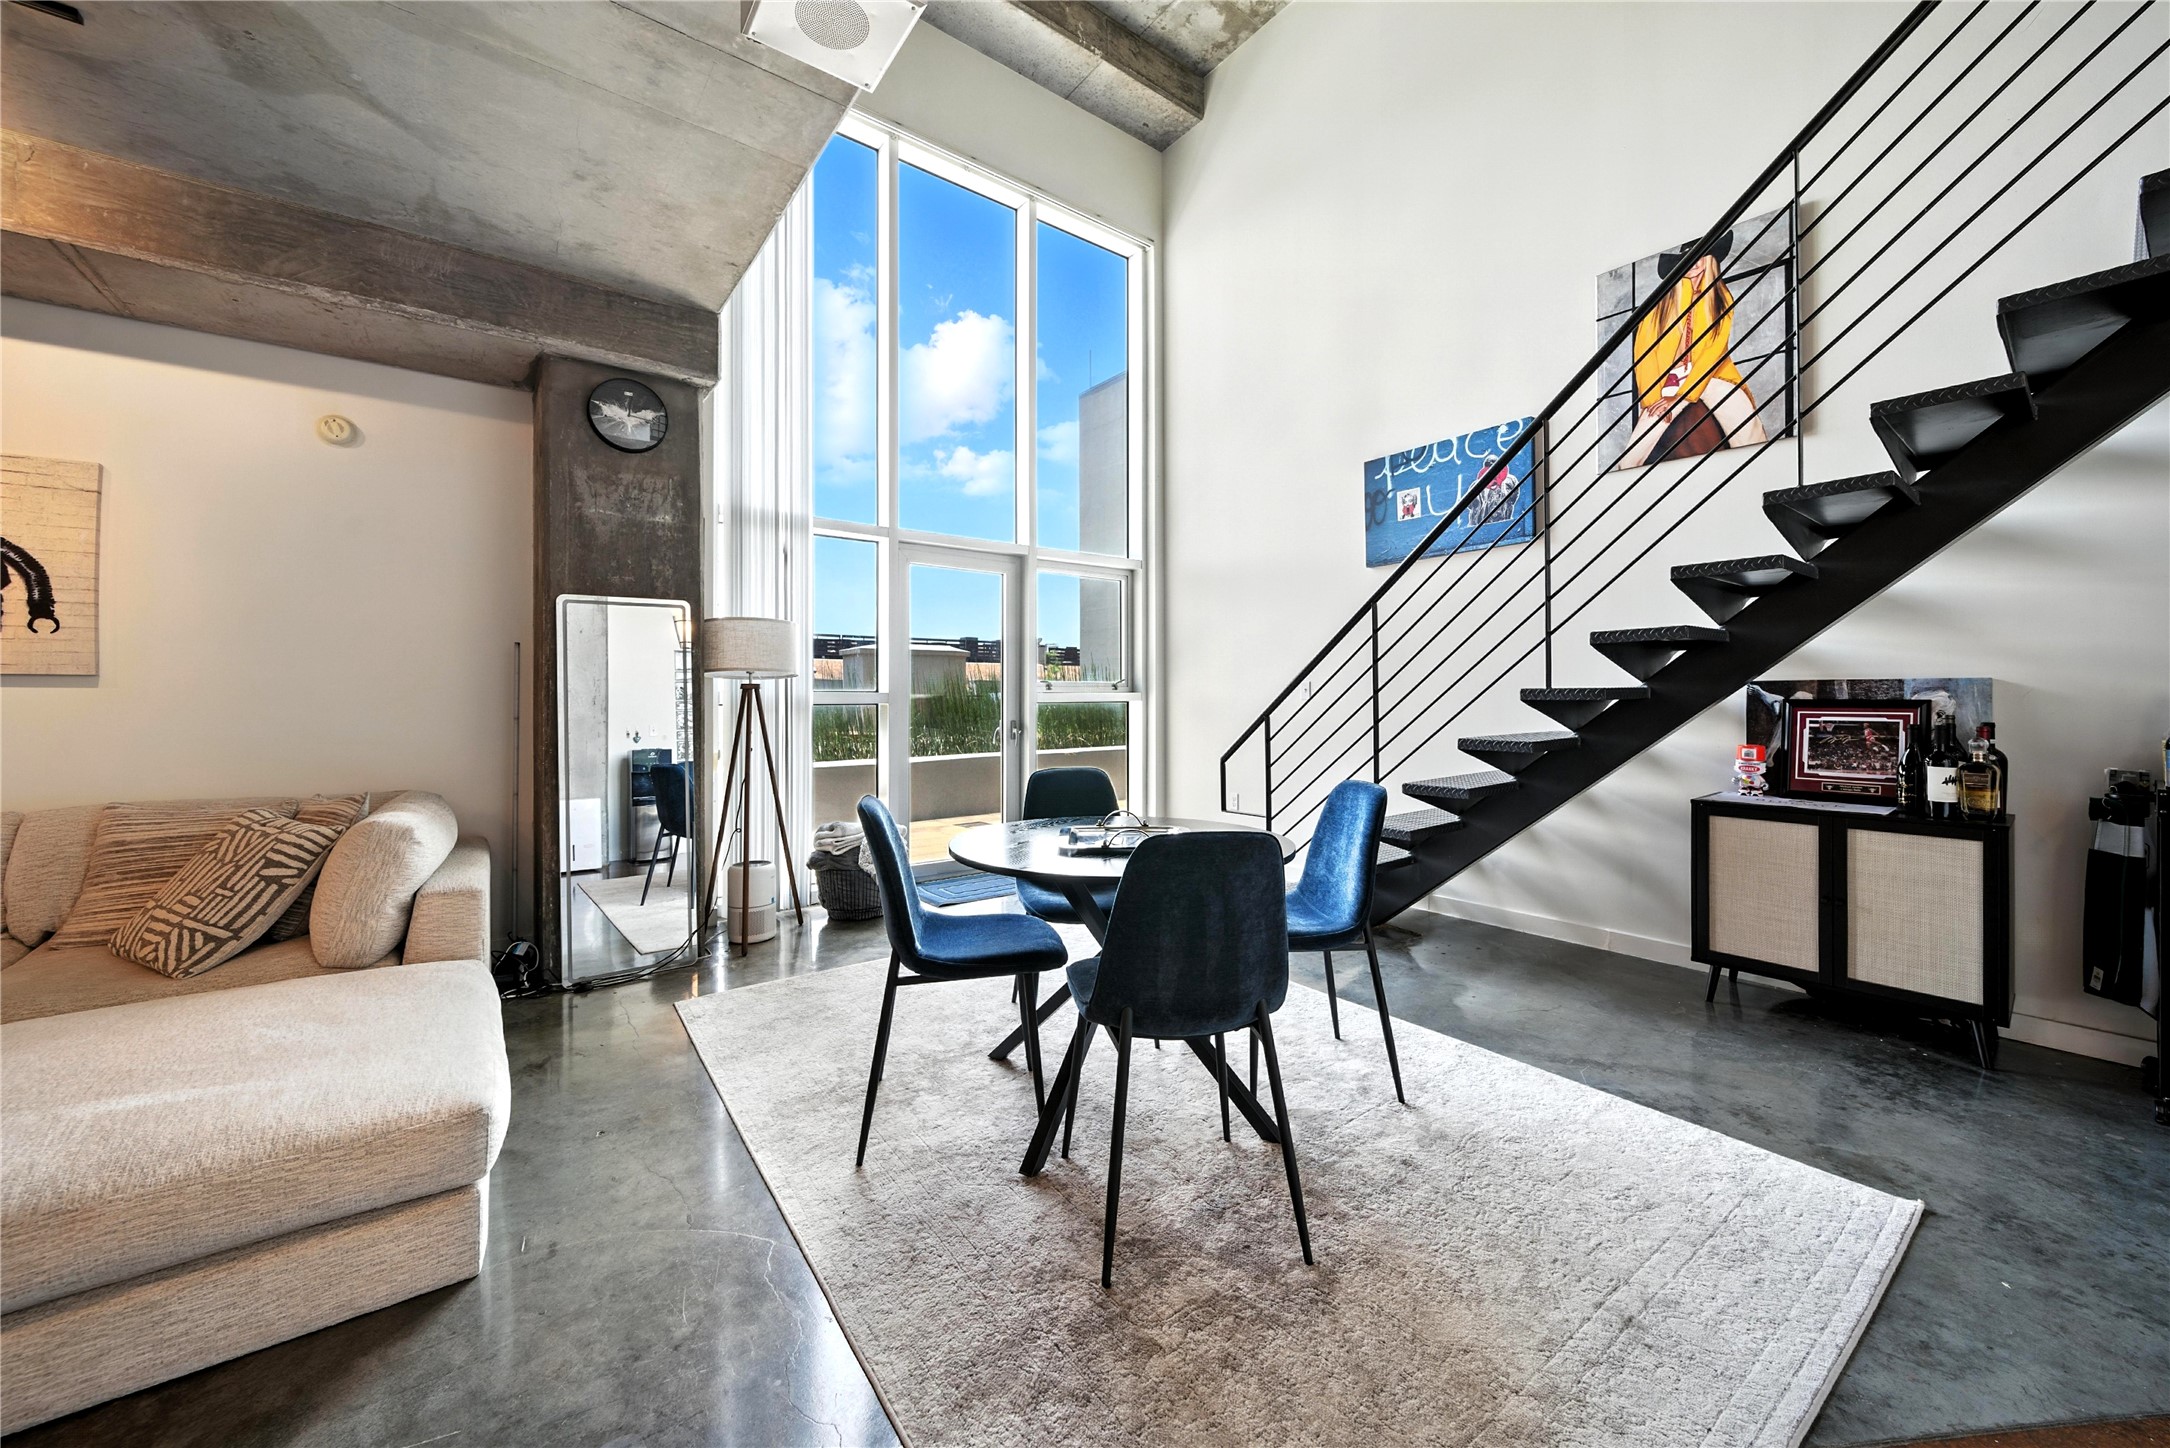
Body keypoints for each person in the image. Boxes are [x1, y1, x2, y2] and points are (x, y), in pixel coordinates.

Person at [1618, 234, 1768, 469]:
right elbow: (1645, 356)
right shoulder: (1660, 306)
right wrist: (1654, 398)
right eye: (1689, 258)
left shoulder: (1721, 298)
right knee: (1647, 428)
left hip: (1710, 375)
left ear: (1710, 260)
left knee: (1744, 417)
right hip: (1669, 378)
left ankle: (1764, 464)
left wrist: (1683, 394)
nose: (1695, 263)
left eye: (1701, 256)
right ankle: (1624, 472)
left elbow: (1713, 351)